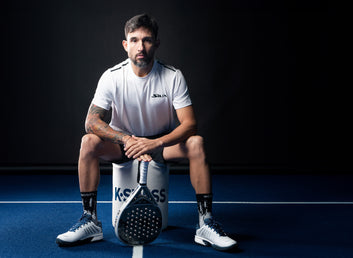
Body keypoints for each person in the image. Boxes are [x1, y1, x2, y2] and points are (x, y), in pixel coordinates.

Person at [55, 14, 237, 251]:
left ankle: (206, 223)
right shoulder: (112, 77)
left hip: (160, 145)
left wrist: (156, 143)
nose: (141, 47)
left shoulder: (172, 76)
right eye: (134, 40)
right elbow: (91, 121)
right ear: (125, 44)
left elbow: (190, 124)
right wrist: (126, 139)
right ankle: (90, 221)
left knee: (196, 143)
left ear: (156, 44)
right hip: (123, 144)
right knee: (88, 141)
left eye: (147, 40)